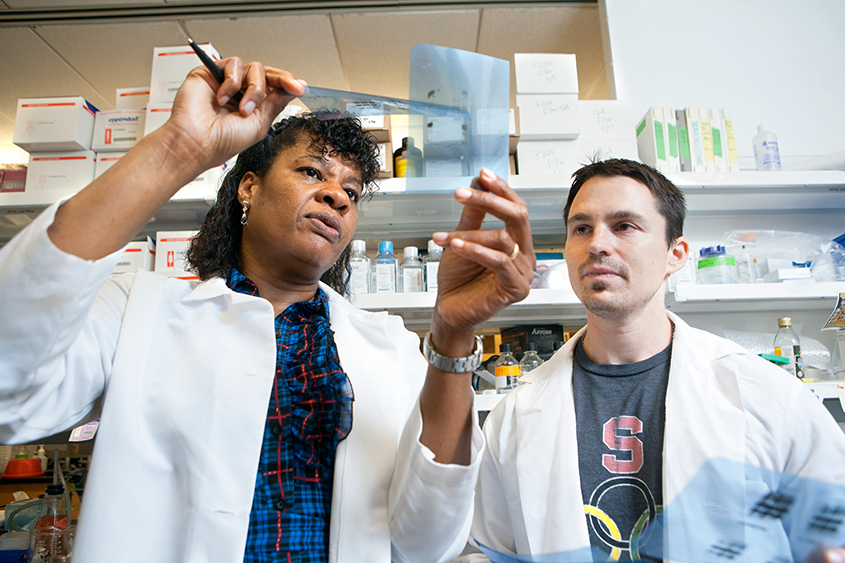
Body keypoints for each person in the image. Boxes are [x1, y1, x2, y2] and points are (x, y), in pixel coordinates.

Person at [0, 58, 536, 563]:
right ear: (248, 188)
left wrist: (452, 332)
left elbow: (427, 543)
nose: (338, 197)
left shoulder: (388, 345)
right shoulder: (139, 312)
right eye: (312, 172)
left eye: (351, 190)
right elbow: (11, 393)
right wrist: (179, 149)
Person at [456, 159, 845, 563]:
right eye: (581, 228)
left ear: (675, 254)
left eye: (624, 226)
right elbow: (487, 550)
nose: (596, 244)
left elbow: (832, 535)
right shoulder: (515, 416)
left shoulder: (766, 394)